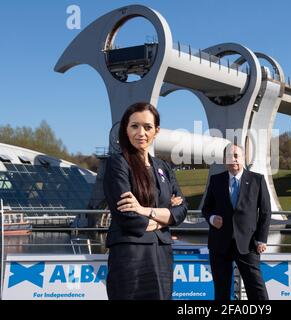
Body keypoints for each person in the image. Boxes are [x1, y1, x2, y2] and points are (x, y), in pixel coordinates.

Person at [103, 102, 188, 300]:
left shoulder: (163, 167)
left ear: (156, 131)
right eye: (135, 126)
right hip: (131, 254)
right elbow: (127, 216)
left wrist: (145, 210)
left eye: (147, 127)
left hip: (162, 254)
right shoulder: (118, 163)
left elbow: (182, 209)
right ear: (126, 128)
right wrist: (164, 218)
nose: (141, 132)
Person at [202, 143, 271, 300]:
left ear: (243, 158)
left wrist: (261, 239)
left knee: (257, 291)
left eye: (236, 155)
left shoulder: (257, 180)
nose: (233, 159)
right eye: (229, 156)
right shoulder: (215, 180)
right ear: (224, 161)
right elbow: (206, 209)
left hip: (248, 244)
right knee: (221, 292)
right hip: (219, 245)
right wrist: (212, 219)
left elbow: (266, 212)